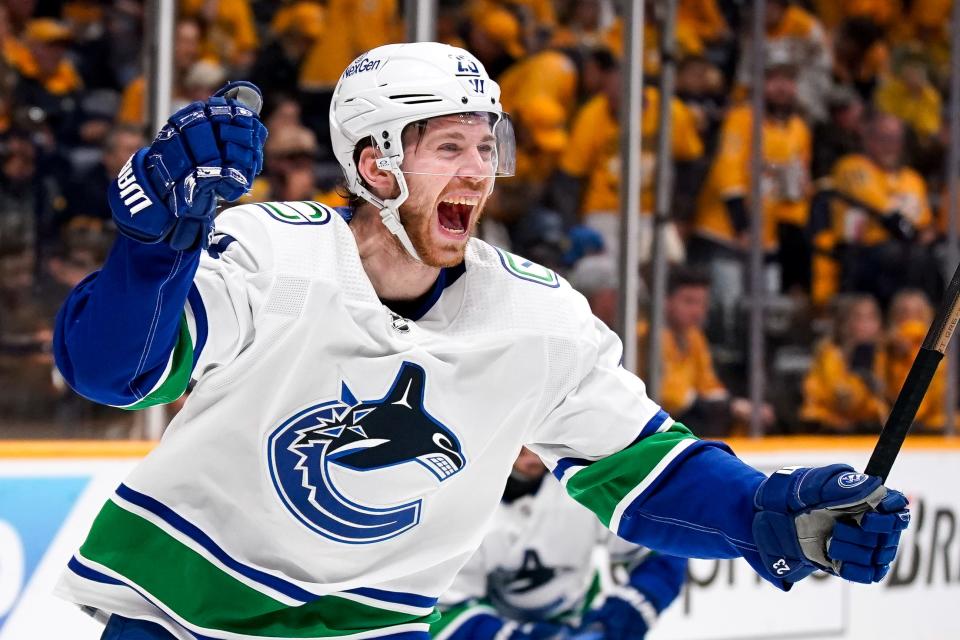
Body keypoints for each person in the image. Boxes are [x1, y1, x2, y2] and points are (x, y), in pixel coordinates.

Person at [53, 44, 909, 640]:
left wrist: (768, 516)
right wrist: (154, 250)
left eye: (486, 146)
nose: (479, 171)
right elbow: (114, 374)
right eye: (450, 147)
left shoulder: (537, 318)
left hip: (369, 631)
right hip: (177, 620)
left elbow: (648, 473)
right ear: (377, 164)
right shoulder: (276, 252)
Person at [432, 448, 686, 640]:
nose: (532, 456)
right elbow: (447, 612)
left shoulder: (584, 484)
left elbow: (660, 550)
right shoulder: (460, 506)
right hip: (497, 622)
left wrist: (617, 621)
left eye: (536, 442)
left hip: (577, 619)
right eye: (521, 446)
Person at [638, 267, 775, 437]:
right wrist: (729, 406)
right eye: (689, 302)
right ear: (665, 301)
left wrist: (735, 404)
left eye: (702, 303)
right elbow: (670, 396)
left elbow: (708, 384)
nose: (697, 311)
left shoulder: (694, 336)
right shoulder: (647, 335)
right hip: (652, 423)